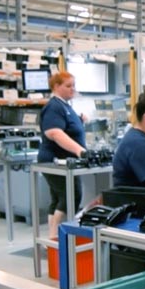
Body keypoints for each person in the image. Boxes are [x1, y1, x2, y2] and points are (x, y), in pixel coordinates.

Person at [38, 71, 90, 234]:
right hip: (56, 160)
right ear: (56, 86)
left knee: (58, 197)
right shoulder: (54, 106)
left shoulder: (65, 106)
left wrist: (80, 121)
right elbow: (55, 133)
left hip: (65, 161)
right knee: (71, 197)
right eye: (68, 86)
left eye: (74, 85)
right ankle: (56, 235)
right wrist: (80, 151)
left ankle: (52, 237)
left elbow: (68, 128)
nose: (72, 89)